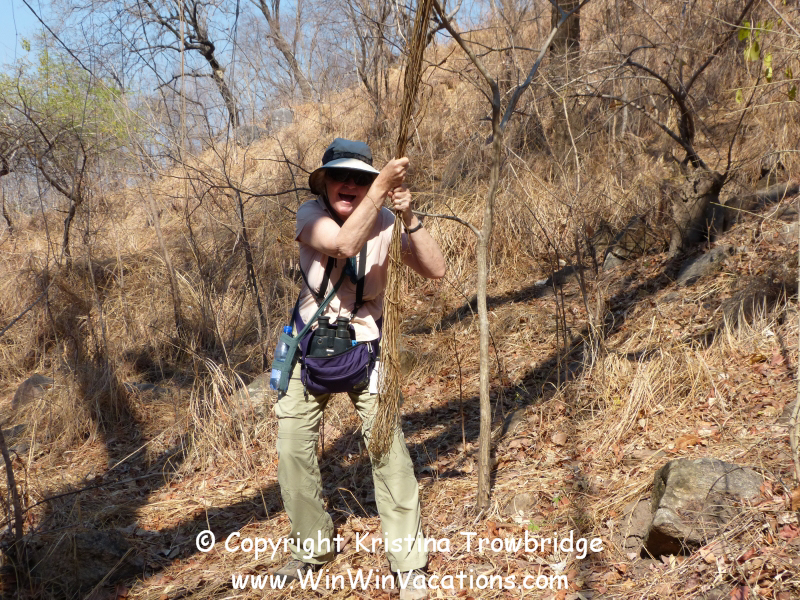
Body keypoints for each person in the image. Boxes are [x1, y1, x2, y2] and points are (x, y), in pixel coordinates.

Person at [272, 138, 446, 599]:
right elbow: (344, 244)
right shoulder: (310, 216)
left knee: (389, 451)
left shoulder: (385, 221)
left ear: (369, 184)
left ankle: (408, 565)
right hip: (308, 347)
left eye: (360, 178)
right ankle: (312, 548)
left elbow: (435, 269)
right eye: (339, 176)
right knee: (293, 451)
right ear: (324, 184)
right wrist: (382, 186)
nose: (348, 184)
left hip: (368, 347)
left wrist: (409, 217)